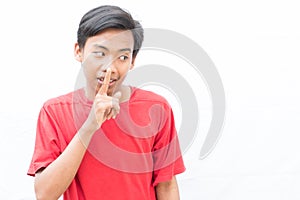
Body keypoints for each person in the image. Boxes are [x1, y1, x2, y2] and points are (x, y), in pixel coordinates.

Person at [27, 5, 185, 200]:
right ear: (79, 51)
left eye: (122, 57)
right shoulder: (54, 112)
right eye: (100, 54)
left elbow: (167, 186)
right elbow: (45, 194)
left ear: (133, 60)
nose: (110, 67)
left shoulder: (157, 108)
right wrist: (90, 125)